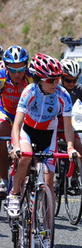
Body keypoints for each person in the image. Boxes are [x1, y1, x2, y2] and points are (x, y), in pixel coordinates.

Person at [7, 53, 78, 222]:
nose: (55, 83)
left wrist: (70, 147)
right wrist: (16, 146)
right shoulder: (29, 91)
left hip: (48, 134)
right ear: (39, 79)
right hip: (27, 131)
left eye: (58, 79)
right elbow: (17, 124)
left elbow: (68, 127)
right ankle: (15, 194)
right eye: (51, 80)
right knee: (25, 157)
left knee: (48, 181)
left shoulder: (63, 95)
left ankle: (47, 227)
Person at [0, 45, 33, 197]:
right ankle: (3, 178)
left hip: (26, 115)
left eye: (20, 69)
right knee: (2, 133)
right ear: (6, 67)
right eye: (12, 70)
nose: (17, 74)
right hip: (6, 112)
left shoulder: (31, 77)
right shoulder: (1, 77)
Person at [59, 58, 82, 169]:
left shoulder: (79, 89)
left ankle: (76, 176)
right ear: (61, 77)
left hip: (66, 122)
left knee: (79, 148)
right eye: (68, 80)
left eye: (74, 80)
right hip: (51, 121)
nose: (72, 83)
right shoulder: (55, 88)